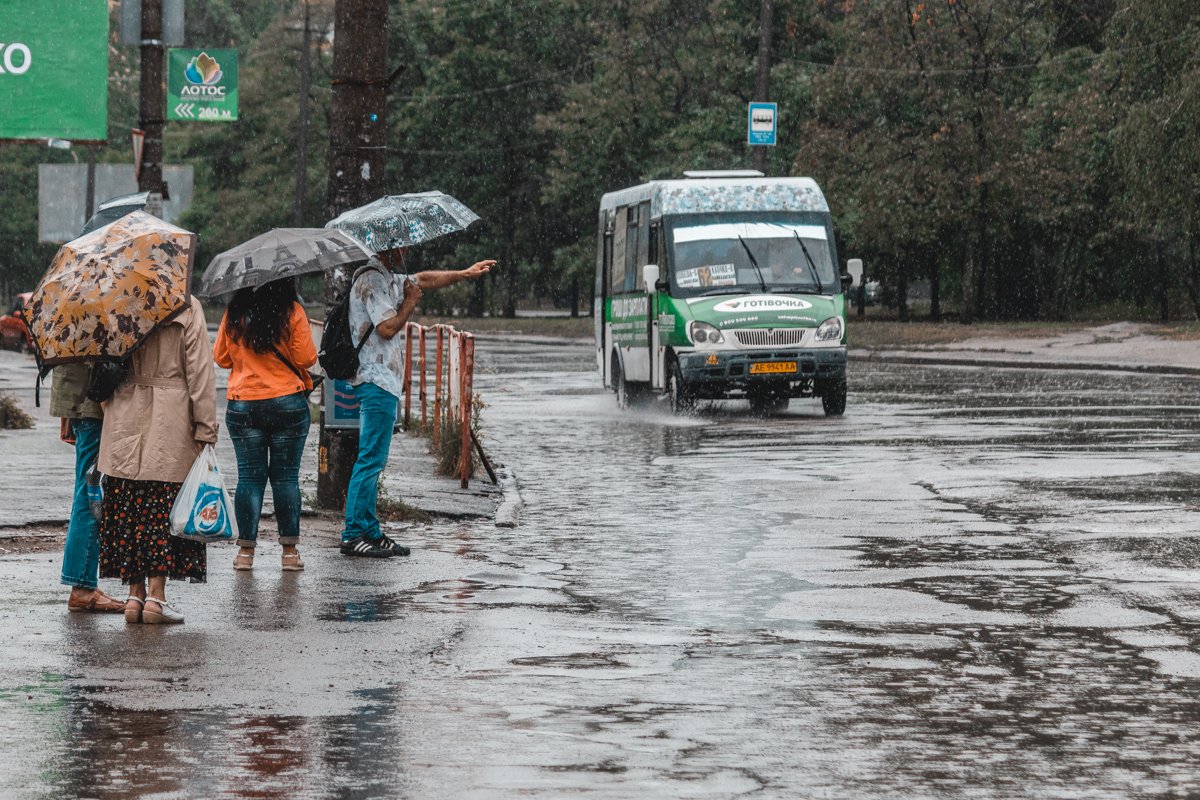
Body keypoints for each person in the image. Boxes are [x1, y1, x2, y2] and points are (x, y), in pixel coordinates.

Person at [340, 247, 494, 557]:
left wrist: (464, 273)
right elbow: (386, 328)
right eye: (403, 246)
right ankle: (352, 533)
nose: (407, 251)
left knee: (374, 459)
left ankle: (370, 529)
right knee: (370, 459)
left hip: (383, 382)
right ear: (389, 247)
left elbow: (423, 279)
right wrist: (410, 302)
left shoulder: (387, 278)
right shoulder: (371, 281)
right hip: (375, 380)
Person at [98, 294, 217, 624]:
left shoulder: (120, 301)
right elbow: (200, 372)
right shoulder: (185, 305)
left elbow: (102, 364)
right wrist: (206, 427)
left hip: (124, 414)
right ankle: (156, 598)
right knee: (161, 509)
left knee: (129, 508)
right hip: (171, 417)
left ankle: (133, 597)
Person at [213, 277, 316, 572]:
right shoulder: (291, 311)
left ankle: (245, 554)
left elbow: (220, 358)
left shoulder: (235, 312)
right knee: (285, 479)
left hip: (244, 404)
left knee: (249, 478)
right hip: (287, 403)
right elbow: (306, 357)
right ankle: (290, 554)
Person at [51, 363, 125, 614]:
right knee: (90, 495)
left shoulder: (70, 324)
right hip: (96, 409)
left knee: (86, 492)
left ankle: (84, 581)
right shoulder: (97, 323)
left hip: (82, 407)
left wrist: (67, 412)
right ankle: (82, 587)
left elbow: (67, 361)